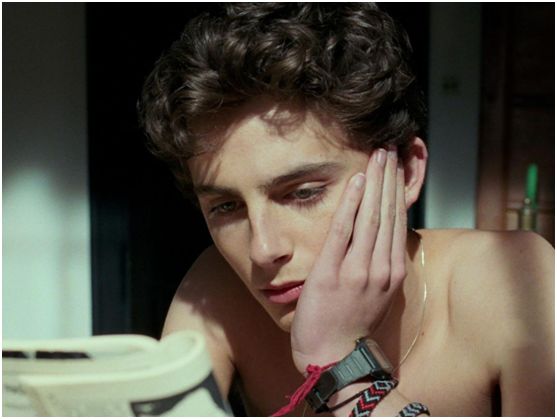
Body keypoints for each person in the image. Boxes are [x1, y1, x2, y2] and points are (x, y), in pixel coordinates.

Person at [139, 3, 554, 416]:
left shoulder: (509, 280)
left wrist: (342, 362)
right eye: (227, 206)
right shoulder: (216, 292)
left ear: (407, 173)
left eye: (304, 193)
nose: (263, 250)